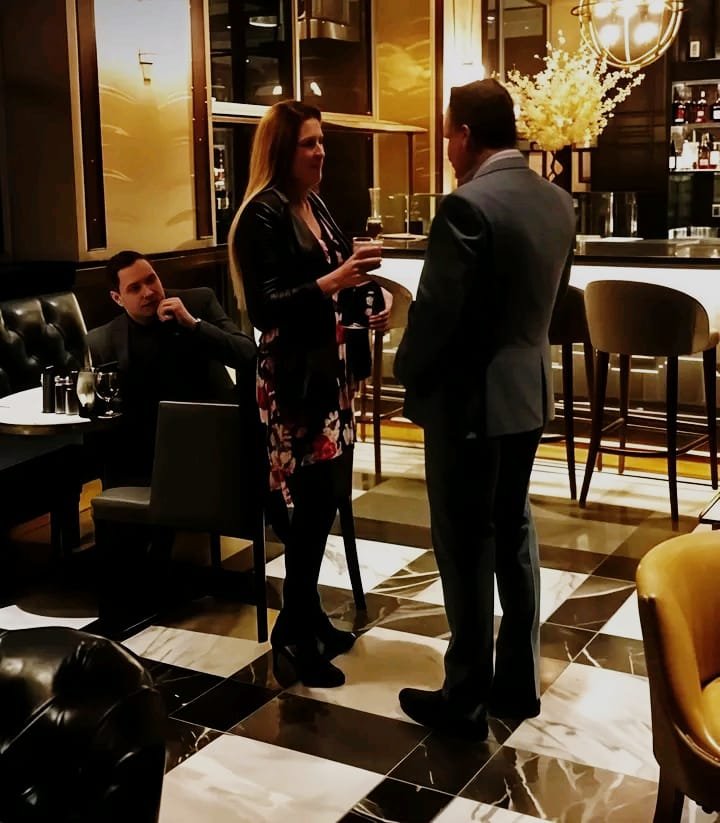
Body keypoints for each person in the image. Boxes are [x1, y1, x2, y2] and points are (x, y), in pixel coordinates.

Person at [394, 79, 576, 739]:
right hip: (528, 393)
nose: (447, 148)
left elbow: (438, 316)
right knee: (514, 529)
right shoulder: (557, 201)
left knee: (465, 544)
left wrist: (404, 370)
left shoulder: (466, 206)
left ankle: (465, 698)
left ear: (466, 135)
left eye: (447, 135)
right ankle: (518, 682)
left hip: (469, 402)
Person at [232, 99, 391, 688]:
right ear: (282, 150)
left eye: (322, 141)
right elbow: (266, 307)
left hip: (330, 373)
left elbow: (335, 285)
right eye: (308, 143)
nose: (320, 152)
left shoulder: (314, 204)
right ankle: (292, 635)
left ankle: (308, 616)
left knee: (326, 501)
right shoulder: (262, 214)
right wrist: (333, 281)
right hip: (294, 380)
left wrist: (370, 303)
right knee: (309, 505)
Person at [87, 251, 257, 487]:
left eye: (151, 279)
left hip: (210, 436)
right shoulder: (103, 340)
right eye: (135, 288)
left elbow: (247, 353)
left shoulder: (198, 302)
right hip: (144, 451)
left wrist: (193, 325)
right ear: (118, 298)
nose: (148, 292)